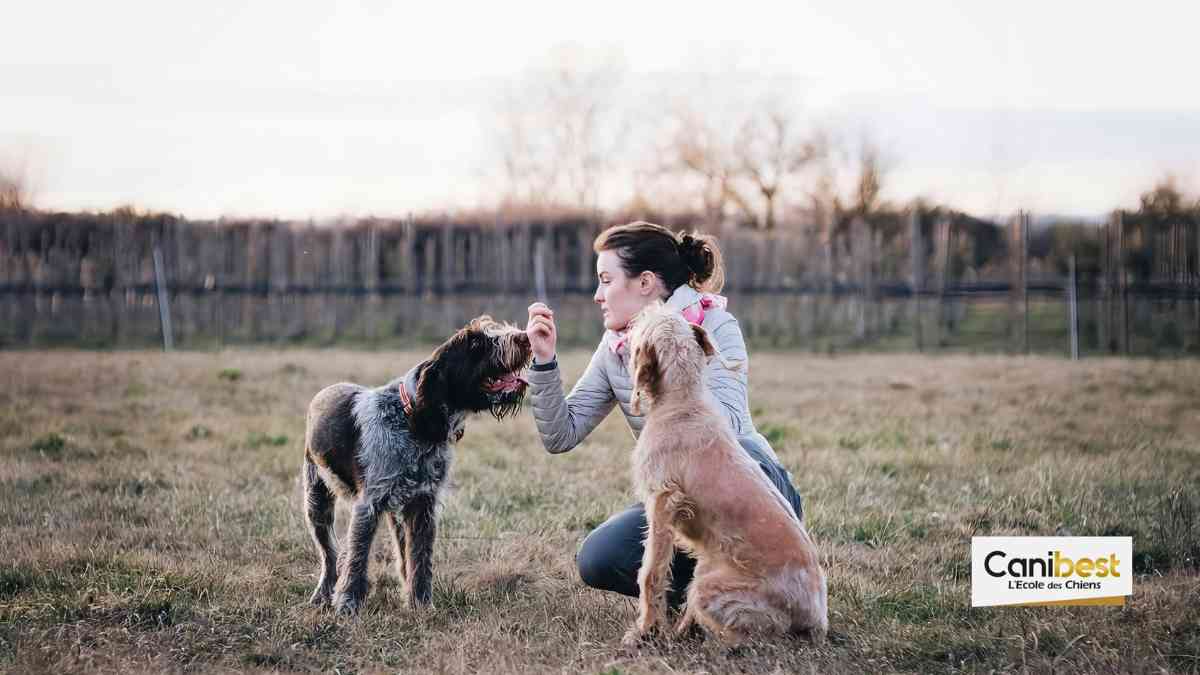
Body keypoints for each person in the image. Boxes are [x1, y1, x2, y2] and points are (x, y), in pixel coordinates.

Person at [524, 221, 805, 607]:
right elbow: (560, 435)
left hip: (754, 483)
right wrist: (543, 360)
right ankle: (712, 599)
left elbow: (730, 428)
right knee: (598, 558)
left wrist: (669, 350)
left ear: (645, 283)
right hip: (682, 496)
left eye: (606, 280)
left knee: (743, 457)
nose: (596, 295)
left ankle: (761, 582)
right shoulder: (616, 348)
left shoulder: (716, 323)